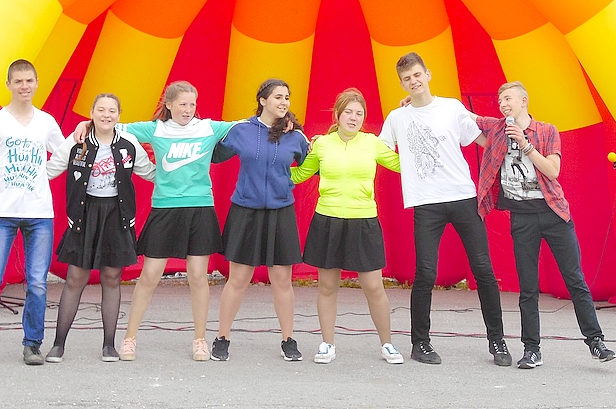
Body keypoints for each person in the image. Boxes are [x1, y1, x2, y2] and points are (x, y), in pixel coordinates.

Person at [73, 81, 237, 361]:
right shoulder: (155, 129)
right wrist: (84, 125)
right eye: (182, 104)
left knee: (198, 277)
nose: (188, 109)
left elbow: (249, 127)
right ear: (169, 105)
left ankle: (200, 340)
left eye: (192, 104)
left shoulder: (209, 128)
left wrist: (287, 126)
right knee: (149, 275)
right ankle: (129, 339)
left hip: (200, 208)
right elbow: (112, 127)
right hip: (165, 208)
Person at [379, 52, 511, 367]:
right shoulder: (397, 118)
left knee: (484, 269)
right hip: (426, 203)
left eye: (417, 75)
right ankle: (420, 343)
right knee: (425, 273)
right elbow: (379, 150)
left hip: (463, 197)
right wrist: (407, 166)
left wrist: (518, 141)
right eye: (407, 79)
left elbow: (483, 140)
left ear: (428, 74)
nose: (413, 81)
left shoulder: (451, 108)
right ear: (402, 84)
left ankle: (497, 341)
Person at [474, 81, 616, 368]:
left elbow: (553, 170)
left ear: (523, 101)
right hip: (522, 217)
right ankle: (531, 349)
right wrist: (418, 101)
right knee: (528, 287)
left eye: (508, 99)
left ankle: (596, 341)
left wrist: (525, 144)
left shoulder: (546, 131)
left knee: (575, 280)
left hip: (553, 213)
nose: (503, 104)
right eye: (500, 100)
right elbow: (463, 116)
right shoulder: (497, 129)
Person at [291, 89, 404, 364]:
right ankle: (327, 344)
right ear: (337, 115)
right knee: (327, 286)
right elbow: (300, 174)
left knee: (374, 286)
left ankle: (387, 344)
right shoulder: (321, 144)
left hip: (363, 220)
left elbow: (402, 165)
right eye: (348, 112)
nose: (353, 118)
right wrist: (273, 161)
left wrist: (411, 127)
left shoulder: (372, 143)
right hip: (327, 221)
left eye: (359, 113)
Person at [0, 59, 64, 367]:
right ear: (8, 84)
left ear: (36, 83)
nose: (24, 86)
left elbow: (64, 154)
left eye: (29, 81)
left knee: (37, 282)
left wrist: (44, 173)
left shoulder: (46, 122)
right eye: (18, 81)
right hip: (1, 212)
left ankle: (33, 344)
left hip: (39, 213)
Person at [44, 93, 155, 363]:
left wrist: (183, 175)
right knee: (75, 278)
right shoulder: (77, 141)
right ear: (92, 113)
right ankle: (58, 344)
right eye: (101, 110)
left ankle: (109, 345)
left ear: (119, 115)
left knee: (112, 278)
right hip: (85, 214)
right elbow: (50, 169)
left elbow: (150, 172)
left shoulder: (129, 143)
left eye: (112, 111)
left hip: (117, 216)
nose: (106, 115)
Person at [210, 79, 310, 362]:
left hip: (281, 212)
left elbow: (312, 164)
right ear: (262, 101)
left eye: (287, 97)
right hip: (246, 211)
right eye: (278, 97)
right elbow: (214, 153)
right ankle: (222, 338)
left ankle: (288, 340)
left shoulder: (296, 136)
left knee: (282, 280)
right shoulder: (241, 130)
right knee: (238, 279)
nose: (283, 102)